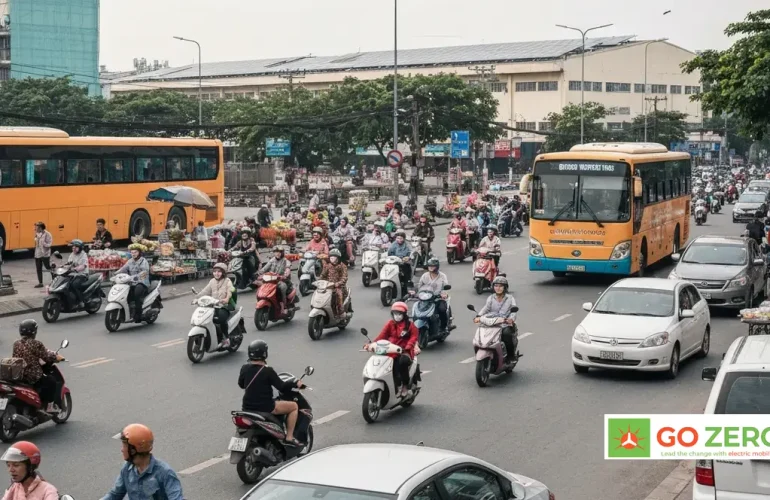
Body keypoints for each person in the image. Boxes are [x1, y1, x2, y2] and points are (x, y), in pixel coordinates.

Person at [239, 340, 304, 446]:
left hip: (246, 408)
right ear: (264, 353)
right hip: (265, 407)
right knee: (294, 406)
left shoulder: (244, 368)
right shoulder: (268, 371)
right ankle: (289, 437)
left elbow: (241, 384)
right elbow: (281, 387)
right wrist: (295, 383)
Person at [102, 424, 184, 500]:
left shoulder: (165, 473)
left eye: (124, 445)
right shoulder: (127, 468)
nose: (122, 450)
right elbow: (115, 495)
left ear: (134, 449)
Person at [367, 302, 419, 397]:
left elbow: (413, 337)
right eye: (395, 314)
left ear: (404, 314)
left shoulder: (410, 326)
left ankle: (404, 385)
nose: (397, 316)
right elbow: (382, 336)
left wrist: (408, 347)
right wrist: (371, 345)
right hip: (390, 350)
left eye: (399, 314)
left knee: (401, 362)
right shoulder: (390, 324)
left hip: (404, 351)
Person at [12, 320, 63, 414]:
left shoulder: (16, 343)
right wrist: (55, 357)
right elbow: (46, 357)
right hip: (32, 375)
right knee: (51, 381)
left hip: (19, 374)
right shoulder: (36, 344)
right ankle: (49, 407)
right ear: (34, 331)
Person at [475, 276, 518, 362]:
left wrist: (511, 319)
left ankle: (511, 356)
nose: (498, 288)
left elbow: (514, 311)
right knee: (481, 331)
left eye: (501, 286)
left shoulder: (510, 298)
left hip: (505, 323)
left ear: (505, 287)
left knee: (506, 334)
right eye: (496, 286)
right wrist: (479, 315)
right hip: (492, 321)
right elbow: (486, 308)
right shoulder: (491, 298)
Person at [196, 263, 234, 348]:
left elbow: (230, 291)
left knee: (219, 319)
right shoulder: (212, 281)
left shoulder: (227, 281)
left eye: (219, 272)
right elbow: (205, 291)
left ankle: (226, 339)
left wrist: (227, 298)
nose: (216, 273)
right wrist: (197, 298)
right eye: (215, 271)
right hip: (213, 306)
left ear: (223, 273)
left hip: (224, 306)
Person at [115, 245, 151, 323]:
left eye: (135, 252)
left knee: (137, 294)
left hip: (142, 283)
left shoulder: (143, 261)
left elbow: (144, 273)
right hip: (131, 282)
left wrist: (133, 277)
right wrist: (115, 274)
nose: (133, 254)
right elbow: (123, 269)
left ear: (139, 253)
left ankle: (138, 315)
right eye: (132, 252)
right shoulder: (130, 261)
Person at [417, 258, 450, 332]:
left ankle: (443, 327)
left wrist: (443, 294)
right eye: (430, 266)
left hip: (437, 298)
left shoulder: (442, 276)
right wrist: (415, 293)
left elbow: (445, 286)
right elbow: (419, 286)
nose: (431, 268)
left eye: (433, 266)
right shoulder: (424, 276)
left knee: (442, 309)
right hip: (425, 298)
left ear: (437, 267)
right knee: (417, 308)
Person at [319, 249, 349, 317]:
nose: (332, 258)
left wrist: (338, 283)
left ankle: (341, 312)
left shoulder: (343, 266)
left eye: (334, 257)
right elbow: (323, 275)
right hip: (328, 286)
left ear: (338, 258)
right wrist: (319, 281)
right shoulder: (327, 266)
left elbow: (344, 277)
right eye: (331, 257)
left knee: (338, 294)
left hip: (339, 287)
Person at [66, 239, 89, 309]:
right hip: (73, 274)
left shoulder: (83, 255)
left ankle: (81, 301)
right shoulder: (72, 254)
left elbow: (84, 265)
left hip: (82, 274)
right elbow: (69, 263)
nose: (73, 248)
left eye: (76, 247)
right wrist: (62, 267)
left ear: (80, 248)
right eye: (73, 246)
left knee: (74, 285)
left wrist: (76, 269)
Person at [33, 222, 52, 289]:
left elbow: (49, 244)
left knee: (48, 267)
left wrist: (43, 243)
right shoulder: (37, 234)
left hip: (45, 254)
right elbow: (36, 243)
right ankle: (40, 283)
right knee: (38, 268)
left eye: (36, 228)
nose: (35, 229)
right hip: (37, 254)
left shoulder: (48, 234)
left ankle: (54, 279)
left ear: (40, 228)